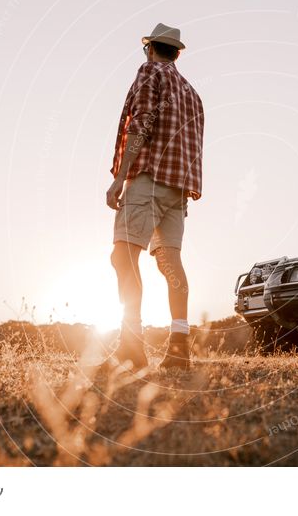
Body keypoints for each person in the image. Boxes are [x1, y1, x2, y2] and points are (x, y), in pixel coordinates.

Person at [106, 23, 204, 371]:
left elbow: (142, 124)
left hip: (148, 179)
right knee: (170, 264)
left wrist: (120, 178)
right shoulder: (192, 93)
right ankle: (179, 347)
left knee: (123, 255)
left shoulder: (150, 72)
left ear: (151, 49)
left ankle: (131, 344)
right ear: (176, 52)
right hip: (178, 190)